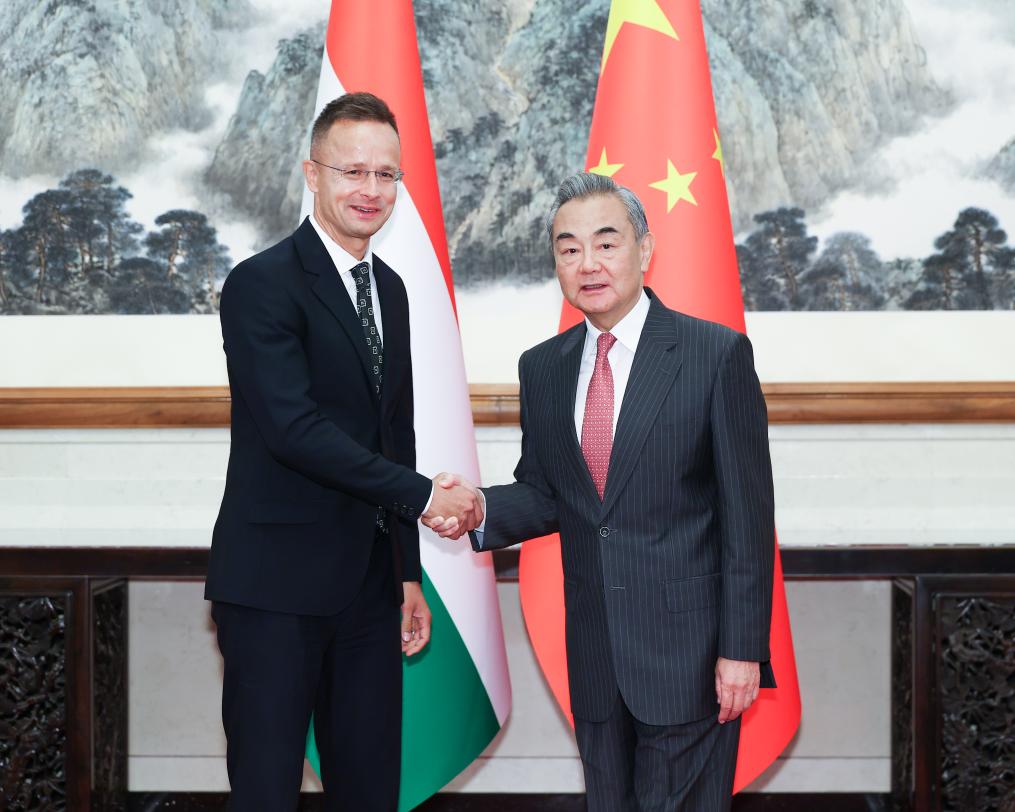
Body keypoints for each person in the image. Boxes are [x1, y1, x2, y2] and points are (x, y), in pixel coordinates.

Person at [428, 172, 776, 811]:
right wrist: (478, 507)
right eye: (568, 248)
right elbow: (548, 492)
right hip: (595, 657)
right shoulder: (544, 367)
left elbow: (747, 519)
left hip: (691, 657)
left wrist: (742, 650)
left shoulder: (714, 354)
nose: (587, 263)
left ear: (645, 250)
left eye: (606, 243)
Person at [205, 92, 482, 811]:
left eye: (386, 175)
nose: (370, 190)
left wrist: (407, 576)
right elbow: (293, 430)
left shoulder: (388, 289)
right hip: (272, 589)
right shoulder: (260, 285)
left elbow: (395, 434)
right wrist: (423, 495)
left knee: (368, 789)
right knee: (266, 791)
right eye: (352, 171)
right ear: (312, 173)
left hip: (367, 589)